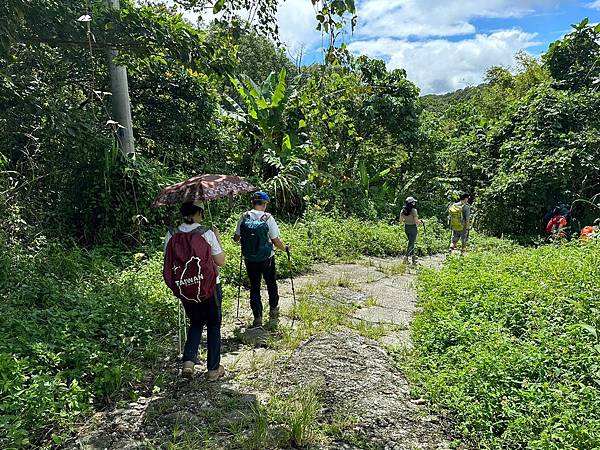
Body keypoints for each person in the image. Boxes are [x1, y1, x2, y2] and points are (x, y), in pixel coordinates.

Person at [164, 201, 225, 381]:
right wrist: (217, 237)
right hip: (209, 286)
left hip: (186, 288)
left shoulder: (171, 234)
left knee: (196, 322)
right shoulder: (206, 233)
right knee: (213, 325)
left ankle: (188, 362)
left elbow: (168, 262)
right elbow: (220, 261)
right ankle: (213, 369)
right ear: (199, 212)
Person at [234, 191, 289, 328]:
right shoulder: (268, 218)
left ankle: (257, 317)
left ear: (252, 203)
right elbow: (276, 240)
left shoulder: (244, 216)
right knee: (271, 283)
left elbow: (236, 238)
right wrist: (286, 248)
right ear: (264, 204)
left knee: (255, 287)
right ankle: (273, 310)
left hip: (250, 259)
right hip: (267, 258)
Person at [399, 196, 422, 265]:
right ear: (411, 203)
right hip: (413, 228)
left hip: (406, 227)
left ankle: (413, 259)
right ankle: (405, 258)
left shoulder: (403, 210)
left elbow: (400, 221)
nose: (414, 203)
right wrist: (420, 221)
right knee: (411, 243)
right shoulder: (414, 211)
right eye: (413, 202)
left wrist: (406, 220)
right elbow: (416, 221)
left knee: (411, 243)